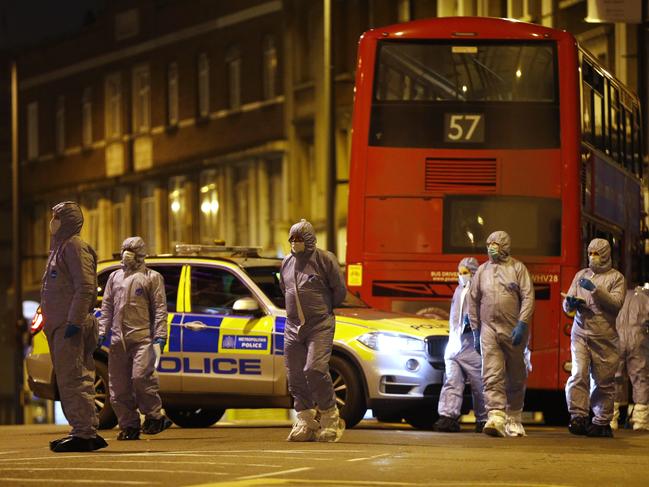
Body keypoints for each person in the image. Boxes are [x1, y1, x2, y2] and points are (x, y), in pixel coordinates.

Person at [40, 201, 108, 452]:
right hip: (59, 326)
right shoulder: (59, 249)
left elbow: (86, 288)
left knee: (75, 378)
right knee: (70, 380)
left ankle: (84, 433)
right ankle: (82, 429)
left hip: (70, 326)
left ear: (66, 220)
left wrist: (74, 321)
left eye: (56, 217)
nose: (52, 222)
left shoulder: (74, 247)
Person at [279, 219, 347, 442]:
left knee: (315, 369)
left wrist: (323, 311)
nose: (296, 243)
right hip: (292, 327)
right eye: (293, 239)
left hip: (319, 324)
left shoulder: (324, 260)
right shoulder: (287, 263)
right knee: (295, 375)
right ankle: (306, 421)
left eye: (300, 239)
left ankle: (330, 417)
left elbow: (339, 291)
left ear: (310, 239)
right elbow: (285, 289)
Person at [98, 236, 171, 440]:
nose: (126, 253)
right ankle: (129, 425)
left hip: (142, 339)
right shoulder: (115, 278)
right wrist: (102, 332)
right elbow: (107, 308)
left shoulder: (151, 277)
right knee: (118, 387)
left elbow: (159, 309)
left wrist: (159, 337)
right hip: (117, 340)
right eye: (125, 249)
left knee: (141, 379)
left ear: (140, 254)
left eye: (131, 250)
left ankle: (154, 416)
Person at [468, 230, 535, 437]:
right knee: (491, 373)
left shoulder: (518, 268)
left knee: (516, 375)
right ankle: (496, 415)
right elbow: (473, 299)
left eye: (495, 243)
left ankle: (514, 416)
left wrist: (522, 323)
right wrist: (475, 329)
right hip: (488, 329)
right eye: (489, 243)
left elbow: (528, 297)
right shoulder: (482, 271)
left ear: (505, 246)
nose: (491, 247)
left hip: (513, 329)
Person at [563, 238, 625, 438]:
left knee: (603, 380)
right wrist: (570, 304)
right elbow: (567, 304)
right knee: (578, 373)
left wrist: (595, 290)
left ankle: (601, 421)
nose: (592, 257)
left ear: (606, 255)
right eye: (590, 253)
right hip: (580, 332)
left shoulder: (617, 278)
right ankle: (578, 416)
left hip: (604, 336)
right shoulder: (581, 275)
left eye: (597, 254)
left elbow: (615, 304)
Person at [433, 257, 487, 433]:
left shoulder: (480, 292)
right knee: (451, 381)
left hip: (473, 346)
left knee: (480, 384)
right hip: (456, 345)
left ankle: (483, 418)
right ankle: (448, 417)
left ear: (474, 273)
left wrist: (474, 324)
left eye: (466, 272)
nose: (462, 276)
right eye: (461, 272)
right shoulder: (458, 291)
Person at [612, 285, 649, 431]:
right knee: (640, 378)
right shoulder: (646, 298)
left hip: (617, 339)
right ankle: (640, 421)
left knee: (615, 378)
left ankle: (610, 419)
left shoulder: (620, 296)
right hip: (639, 340)